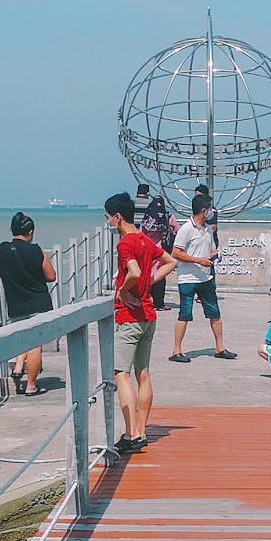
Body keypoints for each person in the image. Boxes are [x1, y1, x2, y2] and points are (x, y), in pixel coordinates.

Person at [105, 190, 175, 454]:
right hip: (149, 316)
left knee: (120, 373)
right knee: (142, 373)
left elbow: (133, 271)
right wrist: (150, 281)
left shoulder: (125, 244)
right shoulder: (146, 240)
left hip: (129, 316)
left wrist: (123, 290)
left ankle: (131, 434)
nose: (108, 222)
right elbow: (170, 262)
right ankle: (141, 430)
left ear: (118, 217)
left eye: (108, 218)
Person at [0, 211, 57, 394]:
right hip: (39, 304)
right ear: (31, 231)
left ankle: (19, 366)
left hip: (16, 304)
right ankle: (31, 386)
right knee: (35, 344)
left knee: (22, 341)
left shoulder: (2, 249)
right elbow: (51, 276)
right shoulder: (36, 250)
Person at [170, 192, 235, 362]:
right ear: (204, 210)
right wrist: (198, 260)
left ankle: (220, 347)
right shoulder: (186, 229)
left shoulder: (207, 229)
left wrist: (216, 255)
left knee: (215, 312)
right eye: (210, 208)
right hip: (188, 279)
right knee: (184, 313)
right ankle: (176, 350)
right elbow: (176, 252)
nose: (212, 212)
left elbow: (211, 248)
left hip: (206, 278)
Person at [137, 182, 174, 310]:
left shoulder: (147, 216)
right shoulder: (167, 215)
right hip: (160, 250)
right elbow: (177, 230)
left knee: (144, 272)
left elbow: (140, 232)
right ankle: (159, 303)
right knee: (159, 275)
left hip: (145, 248)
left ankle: (144, 299)